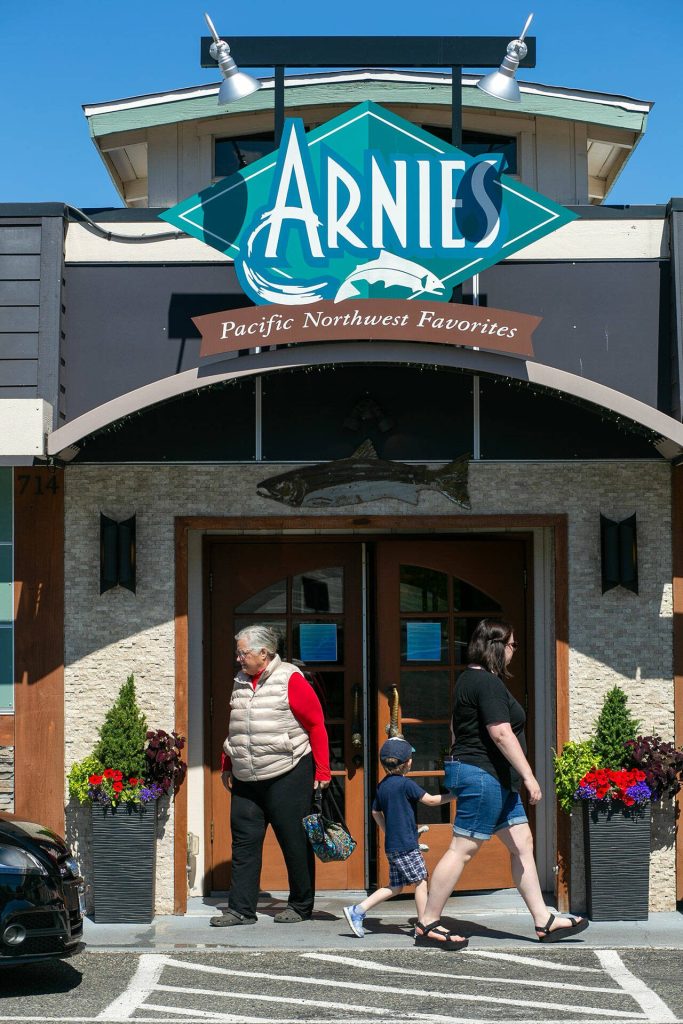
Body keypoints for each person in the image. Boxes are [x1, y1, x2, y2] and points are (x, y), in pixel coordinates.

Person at [415, 618, 589, 949]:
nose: (513, 652)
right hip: (485, 777)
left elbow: (455, 729)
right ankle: (427, 922)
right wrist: (528, 775)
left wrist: (459, 768)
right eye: (511, 646)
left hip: (489, 778)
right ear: (496, 647)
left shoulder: (467, 681)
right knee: (462, 848)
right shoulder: (486, 684)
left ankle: (544, 920)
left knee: (522, 843)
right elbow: (501, 732)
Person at [210, 624, 331, 927]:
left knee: (294, 841)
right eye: (238, 653)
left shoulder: (290, 678)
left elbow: (316, 725)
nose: (238, 658)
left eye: (243, 652)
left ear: (263, 653)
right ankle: (241, 909)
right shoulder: (240, 680)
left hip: (287, 771)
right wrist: (227, 762)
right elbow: (236, 726)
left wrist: (323, 770)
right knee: (244, 842)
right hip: (246, 776)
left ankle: (301, 904)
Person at [342, 737, 467, 949]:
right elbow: (430, 800)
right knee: (421, 880)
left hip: (394, 845)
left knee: (396, 886)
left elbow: (375, 812)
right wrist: (454, 795)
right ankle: (424, 925)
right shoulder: (406, 784)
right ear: (408, 763)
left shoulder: (383, 786)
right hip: (406, 846)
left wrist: (388, 830)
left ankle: (358, 910)